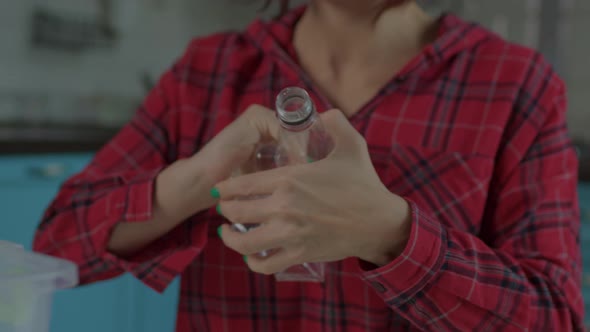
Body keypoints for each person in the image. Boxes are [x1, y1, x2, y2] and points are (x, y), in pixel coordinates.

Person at [33, 0, 584, 331]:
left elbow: (556, 317)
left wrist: (392, 235)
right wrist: (198, 180)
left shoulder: (514, 84)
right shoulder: (211, 69)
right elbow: (57, 245)